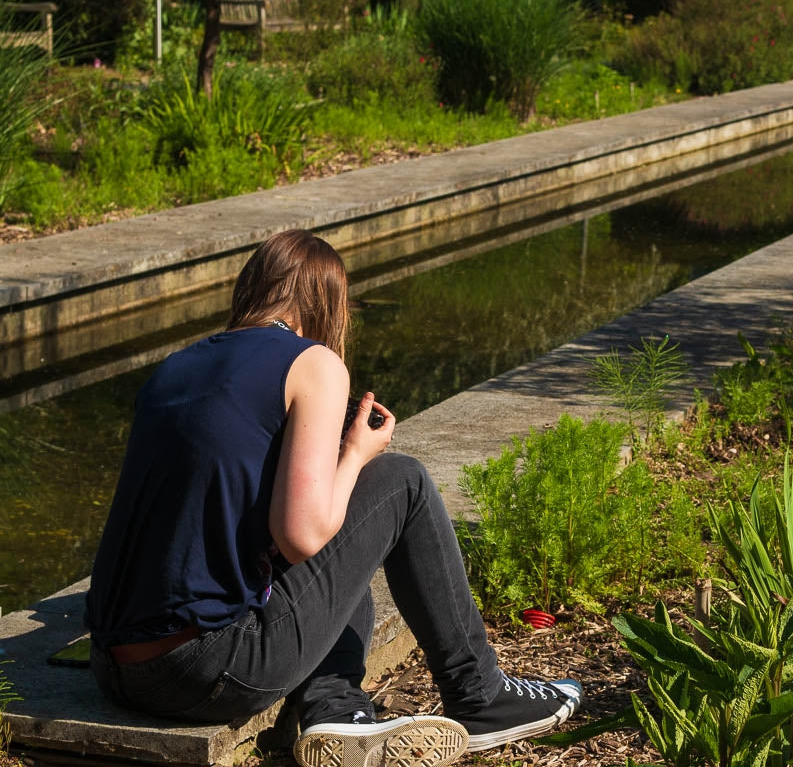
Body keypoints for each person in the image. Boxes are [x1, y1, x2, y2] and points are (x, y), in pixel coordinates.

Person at [84, 229, 581, 767]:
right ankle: (480, 694)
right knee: (401, 479)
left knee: (345, 557)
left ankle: (336, 712)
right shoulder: (314, 362)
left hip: (116, 672)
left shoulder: (176, 366)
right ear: (328, 304)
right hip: (207, 672)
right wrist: (355, 453)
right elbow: (302, 536)